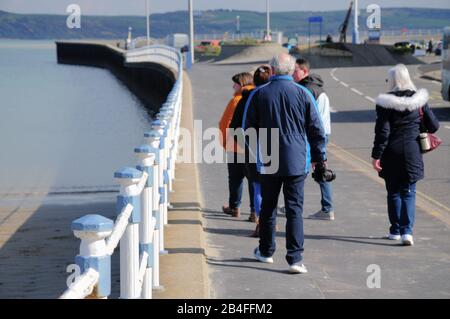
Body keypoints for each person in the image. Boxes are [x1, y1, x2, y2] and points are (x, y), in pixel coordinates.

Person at [244, 53, 327, 273]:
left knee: (269, 207)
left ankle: (266, 251)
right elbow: (316, 129)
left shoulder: (258, 94)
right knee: (294, 210)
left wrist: (258, 154)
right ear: (291, 71)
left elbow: (247, 130)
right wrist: (319, 158)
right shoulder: (304, 93)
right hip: (298, 159)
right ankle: (295, 259)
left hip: (268, 158)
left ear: (271, 70)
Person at [371, 64, 439, 246]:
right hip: (412, 151)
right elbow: (433, 126)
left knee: (393, 192)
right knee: (408, 192)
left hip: (391, 153)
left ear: (392, 81)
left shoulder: (385, 103)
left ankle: (395, 230)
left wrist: (376, 155)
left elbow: (382, 133)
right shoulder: (420, 100)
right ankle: (407, 232)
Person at [229, 65, 272, 237]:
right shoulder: (273, 97)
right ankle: (269, 221)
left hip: (252, 148)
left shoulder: (245, 99)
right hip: (272, 148)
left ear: (253, 81)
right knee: (271, 187)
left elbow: (234, 127)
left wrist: (244, 145)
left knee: (257, 185)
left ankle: (259, 219)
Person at [293, 58, 334, 221]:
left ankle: (327, 207)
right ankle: (325, 206)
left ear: (304, 71)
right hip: (321, 132)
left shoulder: (307, 89)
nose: (293, 73)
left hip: (315, 134)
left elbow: (305, 116)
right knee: (316, 168)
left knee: (310, 168)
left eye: (296, 70)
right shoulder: (316, 87)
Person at [219, 73, 255, 218]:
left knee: (235, 178)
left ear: (242, 84)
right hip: (252, 146)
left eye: (236, 84)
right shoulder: (255, 97)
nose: (233, 86)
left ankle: (234, 207)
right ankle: (254, 211)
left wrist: (224, 143)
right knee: (253, 179)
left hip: (236, 146)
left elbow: (226, 123)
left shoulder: (236, 101)